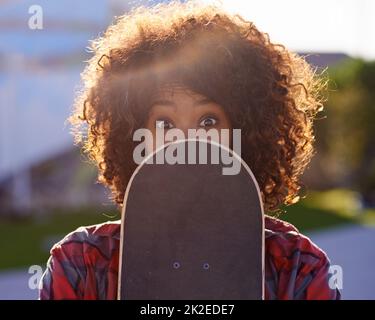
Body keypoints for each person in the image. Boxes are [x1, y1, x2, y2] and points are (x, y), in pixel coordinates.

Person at [39, 1, 340, 300]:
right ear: (133, 139)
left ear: (246, 136)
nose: (186, 141)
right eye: (165, 123)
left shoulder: (298, 268)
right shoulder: (81, 264)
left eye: (208, 121)